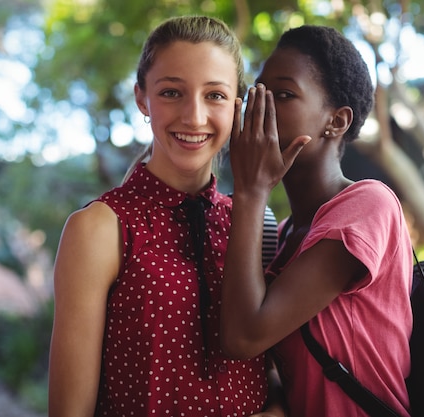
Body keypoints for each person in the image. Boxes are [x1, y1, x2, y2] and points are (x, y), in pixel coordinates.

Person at [48, 16, 284, 417]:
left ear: (237, 105)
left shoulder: (257, 223)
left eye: (215, 95)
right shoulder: (99, 229)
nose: (193, 117)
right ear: (142, 99)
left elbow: (273, 377)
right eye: (172, 92)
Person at [220, 25, 413, 417]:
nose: (262, 106)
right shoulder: (288, 232)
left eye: (284, 94)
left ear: (337, 121)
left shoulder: (367, 206)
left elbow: (244, 337)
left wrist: (251, 191)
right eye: (258, 91)